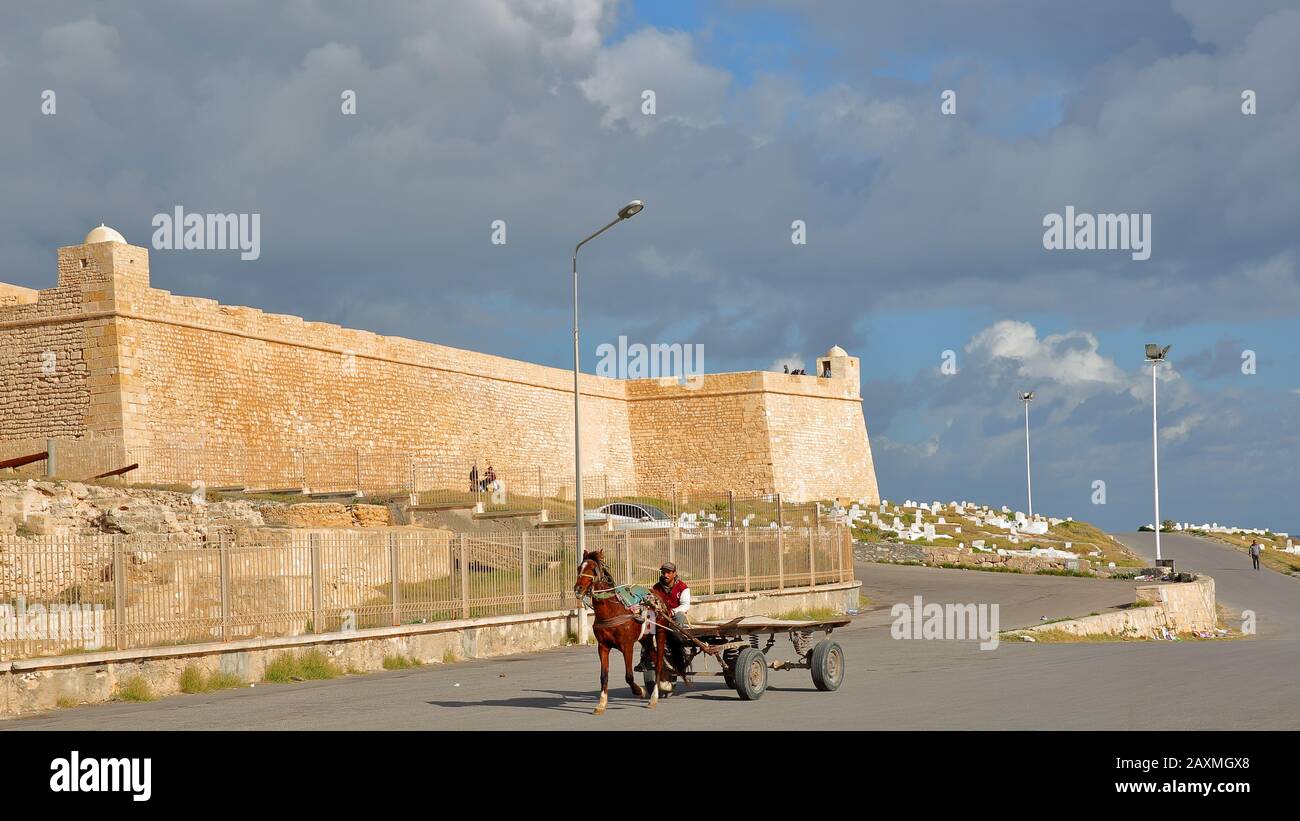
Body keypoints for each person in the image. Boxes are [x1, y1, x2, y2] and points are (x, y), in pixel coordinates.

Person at [654, 562, 690, 626]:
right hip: (660, 617)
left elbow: (685, 605)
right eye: (663, 573)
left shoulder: (682, 588)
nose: (665, 575)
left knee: (680, 616)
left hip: (675, 616)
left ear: (674, 574)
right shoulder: (656, 588)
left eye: (668, 572)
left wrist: (672, 612)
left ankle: (676, 634)